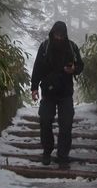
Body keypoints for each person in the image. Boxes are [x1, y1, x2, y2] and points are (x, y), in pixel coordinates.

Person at [31, 20, 84, 169]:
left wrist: (73, 69)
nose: (59, 38)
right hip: (48, 92)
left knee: (66, 124)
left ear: (65, 35)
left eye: (61, 35)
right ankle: (47, 151)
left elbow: (80, 65)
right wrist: (34, 88)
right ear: (52, 33)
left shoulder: (72, 47)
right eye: (56, 34)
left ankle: (63, 156)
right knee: (45, 121)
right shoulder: (44, 47)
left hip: (65, 93)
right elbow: (37, 68)